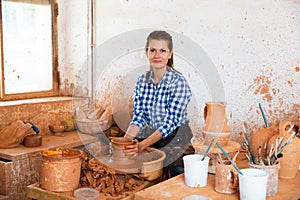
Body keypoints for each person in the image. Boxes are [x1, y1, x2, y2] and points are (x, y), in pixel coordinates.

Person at [124, 30, 194, 179]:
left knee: (176, 173)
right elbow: (138, 117)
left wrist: (142, 146)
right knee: (134, 167)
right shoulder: (142, 81)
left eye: (162, 51)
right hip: (151, 135)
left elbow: (170, 123)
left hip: (176, 138)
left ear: (170, 54)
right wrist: (126, 141)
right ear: (146, 52)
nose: (157, 55)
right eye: (153, 50)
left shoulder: (178, 82)